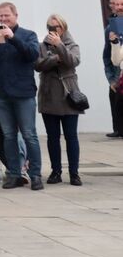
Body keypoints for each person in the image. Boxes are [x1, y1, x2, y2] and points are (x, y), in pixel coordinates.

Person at [0, 1, 44, 190]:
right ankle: (14, 174)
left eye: (6, 15)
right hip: (2, 93)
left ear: (16, 15)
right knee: (8, 135)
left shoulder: (28, 35)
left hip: (23, 92)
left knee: (29, 135)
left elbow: (32, 55)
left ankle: (35, 175)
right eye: (0, 16)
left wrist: (13, 37)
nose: (3, 19)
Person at [36, 14, 84, 187]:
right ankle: (56, 171)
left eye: (57, 27)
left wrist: (60, 46)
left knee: (71, 136)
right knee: (52, 137)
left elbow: (73, 61)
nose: (54, 30)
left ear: (63, 28)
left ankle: (74, 173)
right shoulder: (41, 46)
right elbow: (38, 65)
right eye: (50, 26)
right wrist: (56, 58)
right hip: (49, 94)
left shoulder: (72, 45)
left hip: (68, 94)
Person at [104, 0, 123, 139]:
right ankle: (118, 129)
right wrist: (111, 78)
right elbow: (108, 55)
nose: (119, 7)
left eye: (122, 4)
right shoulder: (110, 28)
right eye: (116, 4)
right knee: (115, 100)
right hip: (118, 72)